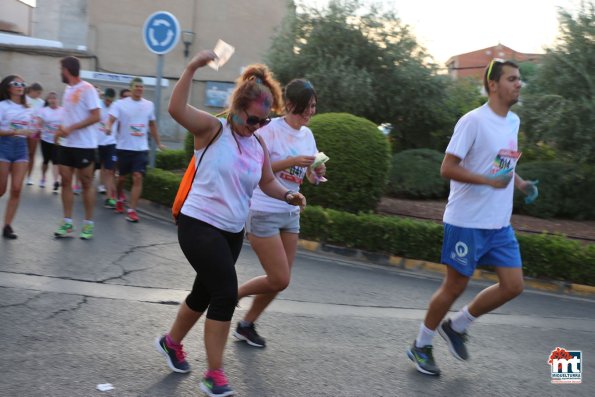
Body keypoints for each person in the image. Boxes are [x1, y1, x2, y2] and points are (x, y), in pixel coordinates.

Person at [154, 50, 306, 397]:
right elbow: (175, 109)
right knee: (224, 293)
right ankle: (215, 374)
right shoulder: (212, 129)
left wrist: (287, 195)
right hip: (198, 224)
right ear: (237, 109)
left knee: (203, 292)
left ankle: (171, 342)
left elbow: (267, 181)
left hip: (231, 231)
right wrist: (193, 67)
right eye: (254, 120)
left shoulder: (257, 146)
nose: (258, 126)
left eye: (265, 121)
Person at [407, 59, 539, 376]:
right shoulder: (473, 121)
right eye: (512, 79)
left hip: (499, 223)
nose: (518, 84)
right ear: (493, 85)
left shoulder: (513, 121)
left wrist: (519, 183)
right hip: (466, 221)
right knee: (455, 286)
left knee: (513, 285)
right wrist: (488, 181)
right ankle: (421, 345)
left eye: (519, 79)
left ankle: (458, 325)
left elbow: (501, 163)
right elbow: (448, 168)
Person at [234, 79, 325, 348]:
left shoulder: (307, 135)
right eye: (305, 107)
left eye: (313, 107)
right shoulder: (270, 130)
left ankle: (246, 325)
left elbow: (308, 175)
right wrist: (293, 161)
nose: (310, 112)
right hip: (263, 209)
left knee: (280, 281)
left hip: (291, 211)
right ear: (290, 105)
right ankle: (232, 295)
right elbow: (259, 168)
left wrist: (316, 173)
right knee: (279, 278)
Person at [53, 56, 101, 240]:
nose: (60, 72)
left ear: (67, 69)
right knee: (65, 181)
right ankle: (67, 223)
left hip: (85, 145)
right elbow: (70, 115)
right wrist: (60, 130)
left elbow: (96, 116)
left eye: (61, 68)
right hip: (67, 144)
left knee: (86, 183)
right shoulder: (67, 89)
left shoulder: (87, 89)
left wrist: (71, 128)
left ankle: (88, 224)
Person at [105, 77, 165, 222]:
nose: (139, 89)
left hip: (141, 148)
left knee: (137, 177)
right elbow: (111, 119)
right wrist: (108, 127)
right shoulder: (120, 104)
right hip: (124, 147)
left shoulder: (149, 105)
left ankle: (132, 210)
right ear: (131, 88)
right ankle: (119, 198)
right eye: (137, 86)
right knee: (122, 179)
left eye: (141, 87)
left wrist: (158, 143)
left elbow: (152, 125)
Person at [0, 75, 37, 239]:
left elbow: (31, 129)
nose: (20, 86)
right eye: (16, 84)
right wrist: (15, 131)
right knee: (1, 190)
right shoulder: (2, 106)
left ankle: (7, 226)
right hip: (4, 145)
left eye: (23, 83)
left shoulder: (28, 108)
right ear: (8, 88)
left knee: (16, 189)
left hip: (21, 148)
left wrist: (33, 131)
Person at [36, 91, 64, 194]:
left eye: (54, 98)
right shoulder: (43, 111)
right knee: (45, 160)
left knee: (56, 161)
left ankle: (55, 181)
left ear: (57, 100)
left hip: (57, 141)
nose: (53, 100)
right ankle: (43, 177)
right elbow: (38, 122)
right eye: (50, 98)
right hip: (45, 139)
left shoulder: (63, 111)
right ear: (48, 101)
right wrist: (39, 126)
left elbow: (66, 123)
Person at [96, 87, 117, 208]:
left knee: (110, 171)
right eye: (107, 100)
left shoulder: (115, 107)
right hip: (96, 143)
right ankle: (86, 190)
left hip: (110, 143)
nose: (108, 102)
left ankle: (109, 198)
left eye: (111, 100)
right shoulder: (97, 105)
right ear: (104, 97)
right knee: (90, 170)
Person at [25, 82, 44, 186]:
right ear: (31, 91)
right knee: (22, 153)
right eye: (37, 93)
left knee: (31, 154)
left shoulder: (41, 102)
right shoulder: (24, 98)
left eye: (40, 93)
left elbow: (42, 116)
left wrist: (40, 129)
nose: (39, 95)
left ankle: (29, 176)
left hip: (34, 131)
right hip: (23, 130)